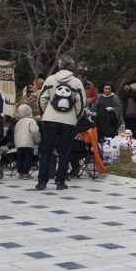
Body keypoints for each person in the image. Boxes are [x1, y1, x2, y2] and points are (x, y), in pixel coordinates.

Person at [35, 59, 86, 191]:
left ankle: (42, 181)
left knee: (46, 152)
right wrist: (75, 117)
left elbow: (41, 99)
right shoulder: (76, 82)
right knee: (65, 152)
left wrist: (44, 114)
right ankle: (60, 181)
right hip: (68, 121)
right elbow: (81, 102)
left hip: (50, 119)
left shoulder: (51, 79)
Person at [12, 103, 40, 180]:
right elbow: (35, 131)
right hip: (28, 143)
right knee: (28, 158)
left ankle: (20, 173)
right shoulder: (31, 121)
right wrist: (37, 140)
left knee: (20, 158)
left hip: (18, 144)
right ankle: (25, 173)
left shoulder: (18, 122)